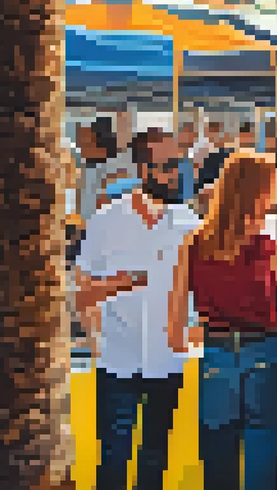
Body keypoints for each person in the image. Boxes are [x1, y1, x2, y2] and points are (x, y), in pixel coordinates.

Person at [169, 151, 277, 490]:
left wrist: (213, 334)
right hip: (269, 363)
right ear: (261, 192)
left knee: (218, 478)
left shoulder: (192, 245)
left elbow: (175, 334)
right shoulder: (271, 250)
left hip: (217, 366)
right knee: (263, 478)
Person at [74, 128, 201, 490]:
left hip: (167, 359)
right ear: (143, 170)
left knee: (155, 456)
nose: (175, 174)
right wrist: (97, 338)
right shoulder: (106, 221)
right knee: (113, 455)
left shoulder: (189, 225)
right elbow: (81, 291)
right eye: (167, 166)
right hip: (117, 357)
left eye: (179, 164)